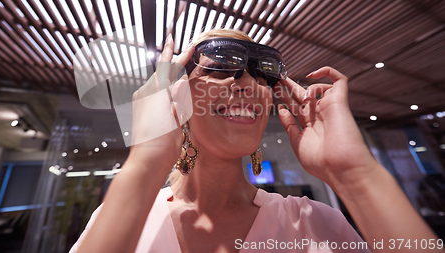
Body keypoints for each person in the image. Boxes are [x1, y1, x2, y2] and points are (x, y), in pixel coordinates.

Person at [70, 29, 443, 253]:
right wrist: (147, 160)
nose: (248, 82)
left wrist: (356, 174)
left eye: (262, 74)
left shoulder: (314, 224)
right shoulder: (126, 218)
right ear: (177, 96)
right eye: (220, 65)